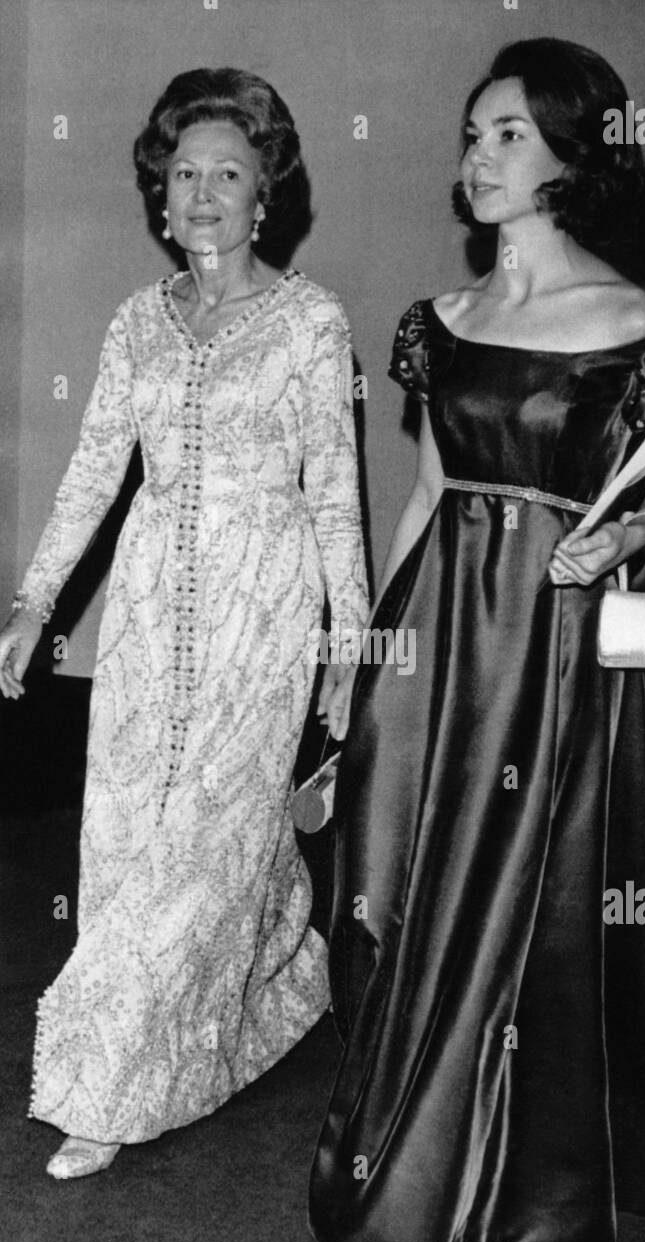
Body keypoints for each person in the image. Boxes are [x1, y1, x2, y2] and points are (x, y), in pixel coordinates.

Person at [309, 38, 645, 1242]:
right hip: (436, 628)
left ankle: (490, 1172)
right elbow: (431, 489)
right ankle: (388, 1120)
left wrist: (630, 531)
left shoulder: (635, 324)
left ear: (564, 155)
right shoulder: (438, 323)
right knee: (386, 875)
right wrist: (367, 646)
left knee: (520, 890)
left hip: (550, 640)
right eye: (473, 135)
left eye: (506, 136)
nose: (477, 157)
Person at [0, 68, 367, 1179]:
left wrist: (347, 645)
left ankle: (110, 1089)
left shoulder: (310, 322)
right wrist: (33, 602)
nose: (203, 193)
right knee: (125, 835)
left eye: (229, 174)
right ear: (161, 196)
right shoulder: (133, 323)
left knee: (209, 839)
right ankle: (275, 972)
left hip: (266, 607)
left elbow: (335, 490)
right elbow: (93, 474)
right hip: (153, 609)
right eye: (184, 174)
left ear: (267, 198)